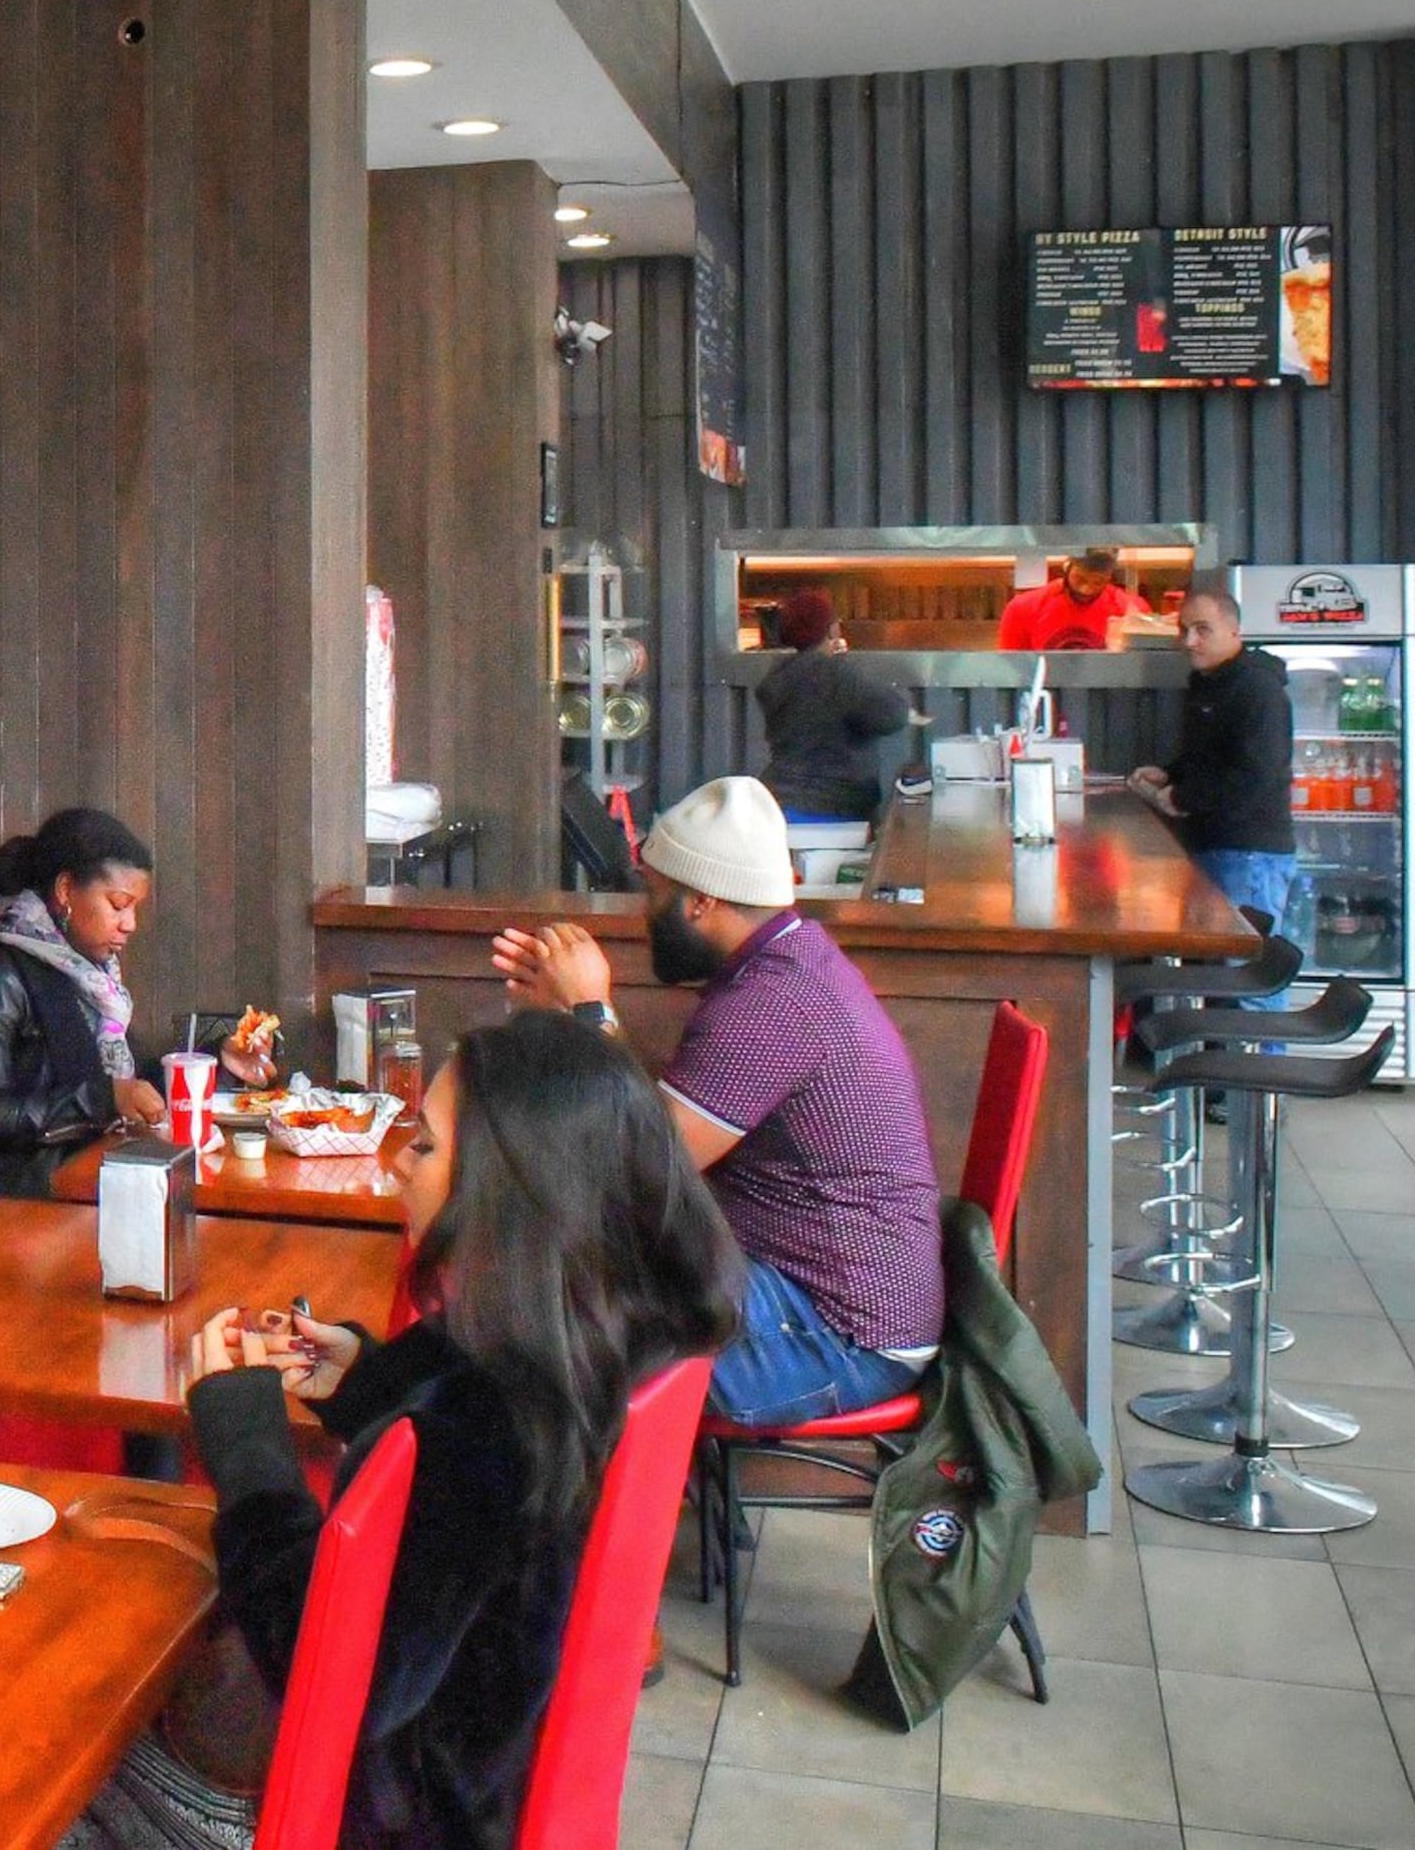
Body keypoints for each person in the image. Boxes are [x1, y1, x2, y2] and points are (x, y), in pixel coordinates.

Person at [67, 1013, 740, 1850]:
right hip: (484, 1774)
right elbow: (455, 1443)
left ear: (510, 1190)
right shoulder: (599, 1337)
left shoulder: (494, 1429)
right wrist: (362, 1377)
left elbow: (334, 1668)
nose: (397, 1162)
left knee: (61, 1756)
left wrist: (244, 1442)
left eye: (423, 1147)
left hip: (393, 1813)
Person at [489, 776, 944, 1431]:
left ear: (699, 901)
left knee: (551, 1334)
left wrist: (588, 1010)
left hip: (838, 1332)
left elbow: (643, 1164)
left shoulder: (771, 1004)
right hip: (819, 1296)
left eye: (656, 894)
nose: (647, 914)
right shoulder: (787, 964)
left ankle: (587, 1528)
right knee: (559, 1294)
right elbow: (656, 1124)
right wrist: (576, 1015)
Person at [0, 807, 277, 1228]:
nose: (130, 925)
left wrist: (215, 1060)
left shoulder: (87, 974)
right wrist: (106, 1100)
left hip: (69, 1185)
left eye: (134, 909)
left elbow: (119, 1080)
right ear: (66, 890)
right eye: (118, 905)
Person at [1129, 586, 1297, 931]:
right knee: (1221, 967)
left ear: (1235, 630)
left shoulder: (1258, 690)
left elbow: (1255, 775)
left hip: (1249, 852)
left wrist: (1182, 797)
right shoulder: (1208, 684)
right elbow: (1210, 757)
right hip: (1215, 846)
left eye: (1203, 629)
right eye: (1184, 630)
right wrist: (1169, 775)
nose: (1189, 641)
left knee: (1246, 971)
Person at [752, 589, 919, 824]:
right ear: (832, 629)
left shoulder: (778, 676)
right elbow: (893, 714)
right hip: (833, 806)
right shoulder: (834, 674)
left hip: (777, 802)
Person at [993, 545, 1152, 653]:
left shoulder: (1131, 610)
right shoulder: (1023, 608)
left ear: (1110, 577)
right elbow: (1012, 672)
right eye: (1080, 579)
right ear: (1067, 568)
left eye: (1098, 582)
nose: (1087, 588)